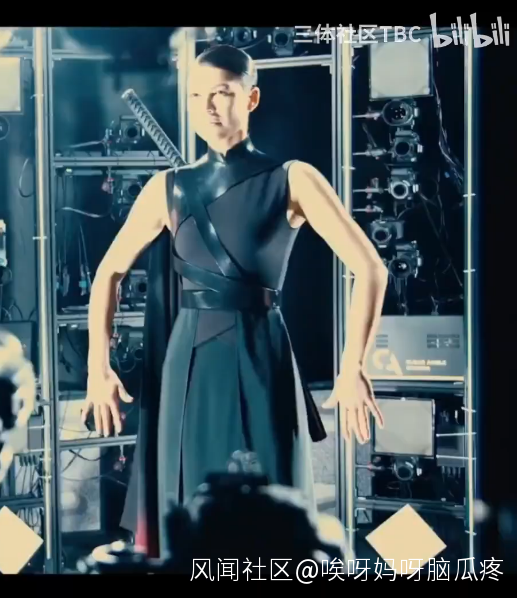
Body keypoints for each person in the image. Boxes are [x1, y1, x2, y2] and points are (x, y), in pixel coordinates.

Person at [81, 44, 388, 557]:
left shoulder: (292, 178)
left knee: (275, 510)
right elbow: (108, 273)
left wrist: (354, 366)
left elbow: (371, 268)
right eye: (196, 95)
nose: (207, 106)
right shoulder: (166, 188)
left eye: (222, 93)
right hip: (188, 365)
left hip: (262, 354)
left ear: (251, 98)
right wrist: (98, 367)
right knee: (187, 506)